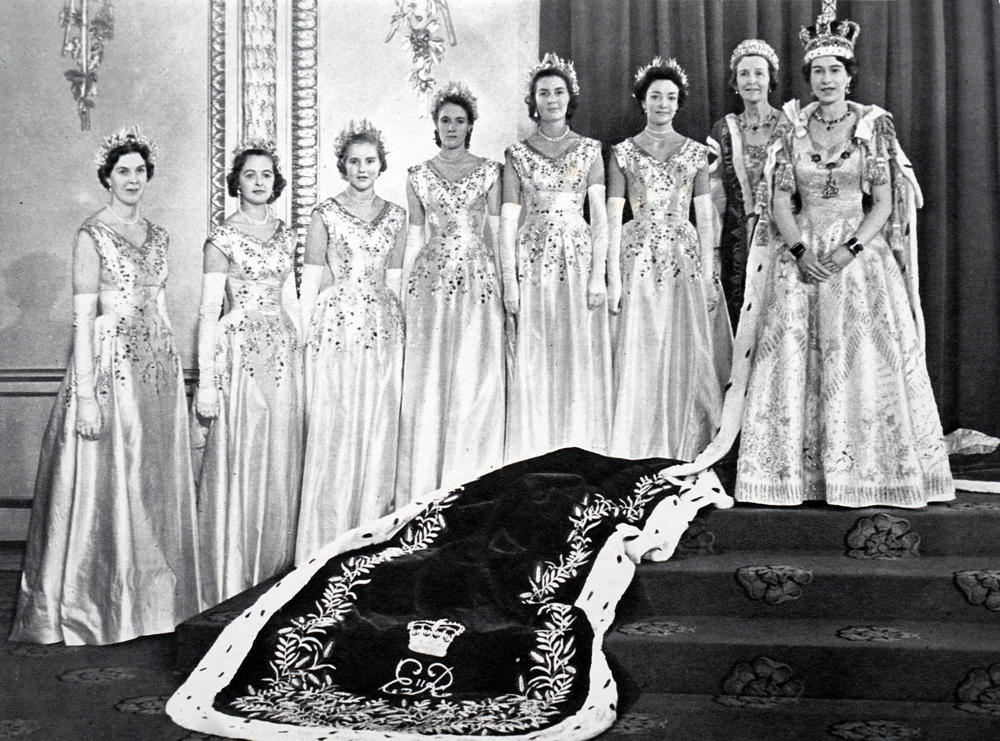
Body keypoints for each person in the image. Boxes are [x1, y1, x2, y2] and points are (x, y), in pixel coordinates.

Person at [666, 9, 955, 508]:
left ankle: (866, 472)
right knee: (794, 359)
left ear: (848, 76)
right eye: (818, 71)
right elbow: (778, 198)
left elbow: (884, 201)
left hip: (859, 257)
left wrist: (849, 250)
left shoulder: (872, 126)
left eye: (835, 71)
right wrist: (800, 249)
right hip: (800, 251)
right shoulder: (791, 128)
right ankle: (792, 477)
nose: (826, 80)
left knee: (859, 359)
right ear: (808, 78)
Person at [10, 127, 201, 644]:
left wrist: (172, 370)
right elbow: (83, 320)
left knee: (152, 480)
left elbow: (159, 307)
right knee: (116, 480)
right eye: (123, 171)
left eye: (140, 171)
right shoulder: (91, 235)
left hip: (156, 370)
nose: (133, 179)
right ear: (107, 178)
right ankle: (99, 604)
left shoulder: (160, 236)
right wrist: (88, 397)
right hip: (108, 368)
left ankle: (156, 606)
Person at [193, 141, 304, 606]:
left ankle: (276, 572)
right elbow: (206, 311)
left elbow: (293, 302)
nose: (258, 182)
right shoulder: (221, 239)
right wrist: (206, 382)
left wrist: (305, 357)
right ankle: (235, 573)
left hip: (282, 351)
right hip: (238, 354)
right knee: (244, 456)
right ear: (235, 181)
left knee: (281, 455)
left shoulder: (287, 235)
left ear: (274, 182)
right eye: (249, 174)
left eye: (265, 175)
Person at [606, 57, 731, 461]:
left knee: (683, 341)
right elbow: (613, 213)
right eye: (656, 96)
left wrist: (711, 272)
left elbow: (706, 216)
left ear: (679, 104)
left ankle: (685, 436)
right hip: (637, 253)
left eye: (671, 97)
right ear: (643, 101)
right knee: (641, 339)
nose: (663, 104)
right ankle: (637, 439)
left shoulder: (695, 153)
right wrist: (610, 275)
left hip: (683, 252)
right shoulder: (623, 152)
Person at [296, 120, 407, 562]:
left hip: (383, 326)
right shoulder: (323, 215)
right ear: (342, 165)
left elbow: (396, 281)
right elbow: (309, 287)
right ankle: (327, 540)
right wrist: (304, 341)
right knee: (338, 424)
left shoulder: (397, 215)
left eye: (370, 161)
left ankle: (371, 538)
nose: (362, 168)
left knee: (379, 426)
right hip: (337, 327)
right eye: (354, 161)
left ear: (381, 165)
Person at [396, 82, 505, 503]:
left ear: (471, 126)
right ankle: (429, 479)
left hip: (477, 276)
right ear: (436, 126)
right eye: (446, 120)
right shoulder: (418, 175)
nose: (453, 127)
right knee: (434, 374)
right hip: (431, 283)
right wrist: (405, 293)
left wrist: (504, 285)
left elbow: (496, 233)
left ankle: (471, 475)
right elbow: (414, 238)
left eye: (460, 121)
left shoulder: (490, 171)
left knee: (473, 373)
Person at [501, 52, 612, 463]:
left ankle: (579, 443)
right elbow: (508, 222)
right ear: (534, 100)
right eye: (543, 93)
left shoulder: (589, 150)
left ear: (570, 98)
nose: (551, 99)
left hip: (578, 257)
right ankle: (537, 447)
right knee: (538, 345)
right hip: (533, 258)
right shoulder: (516, 154)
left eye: (559, 91)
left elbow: (599, 217)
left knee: (576, 347)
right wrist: (510, 282)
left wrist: (598, 275)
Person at [708, 39, 787, 328]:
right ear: (735, 81)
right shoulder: (724, 129)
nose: (751, 80)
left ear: (770, 80)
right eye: (744, 74)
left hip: (785, 236)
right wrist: (713, 250)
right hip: (738, 240)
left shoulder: (791, 125)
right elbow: (716, 196)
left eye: (758, 73)